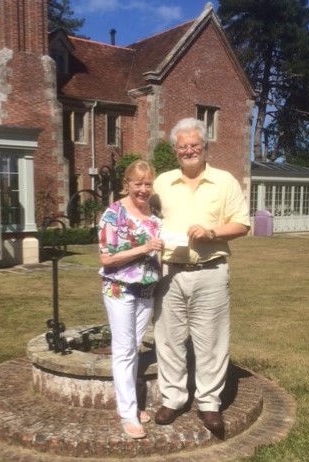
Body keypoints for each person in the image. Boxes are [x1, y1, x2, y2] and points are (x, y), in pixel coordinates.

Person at [152, 118, 250, 437]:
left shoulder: (225, 182)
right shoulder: (162, 182)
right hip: (169, 272)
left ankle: (209, 403)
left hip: (210, 272)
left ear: (205, 146)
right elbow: (144, 217)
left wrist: (211, 232)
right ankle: (174, 398)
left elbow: (241, 224)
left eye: (195, 145)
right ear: (175, 150)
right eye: (183, 146)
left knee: (211, 341)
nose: (189, 150)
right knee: (168, 339)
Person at [98, 159, 163, 439]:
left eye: (148, 183)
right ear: (127, 184)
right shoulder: (113, 214)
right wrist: (144, 247)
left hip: (146, 290)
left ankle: (132, 404)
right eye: (138, 183)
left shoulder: (155, 214)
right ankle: (128, 412)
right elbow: (106, 258)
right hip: (120, 289)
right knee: (124, 351)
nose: (143, 189)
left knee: (133, 348)